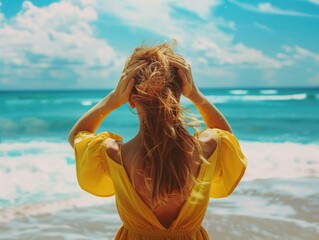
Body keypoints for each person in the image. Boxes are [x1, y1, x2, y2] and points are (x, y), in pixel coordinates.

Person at [68, 43, 247, 239]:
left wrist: (112, 99)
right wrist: (196, 95)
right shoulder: (208, 148)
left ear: (130, 99)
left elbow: (78, 135)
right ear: (179, 95)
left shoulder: (114, 154)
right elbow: (226, 138)